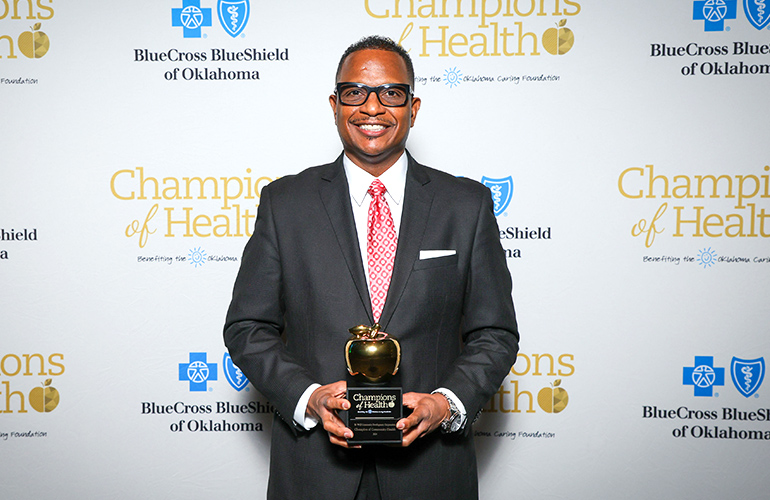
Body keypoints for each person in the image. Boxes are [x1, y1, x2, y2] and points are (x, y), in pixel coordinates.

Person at [224, 35, 518, 500]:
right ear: (335, 104)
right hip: (314, 472)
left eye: (391, 93)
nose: (372, 107)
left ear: (414, 107)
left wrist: (446, 404)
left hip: (432, 474)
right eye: (355, 92)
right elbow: (248, 326)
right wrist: (309, 397)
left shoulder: (466, 205)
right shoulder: (285, 203)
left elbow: (495, 333)